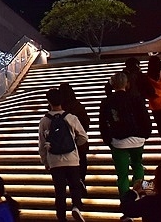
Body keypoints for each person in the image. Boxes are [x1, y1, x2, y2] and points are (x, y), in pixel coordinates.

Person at [39, 88, 88, 222]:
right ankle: (76, 207)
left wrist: (45, 162)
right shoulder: (71, 118)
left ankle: (61, 217)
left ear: (48, 101)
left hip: (55, 161)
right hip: (72, 159)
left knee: (59, 191)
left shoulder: (44, 121)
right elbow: (83, 137)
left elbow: (42, 144)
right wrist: (74, 144)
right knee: (74, 185)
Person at [99, 71, 152, 196]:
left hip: (118, 142)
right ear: (127, 83)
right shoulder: (135, 98)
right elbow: (144, 118)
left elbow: (103, 124)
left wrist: (108, 140)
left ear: (112, 85)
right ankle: (140, 194)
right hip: (137, 139)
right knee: (138, 166)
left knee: (122, 175)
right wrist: (145, 134)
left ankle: (126, 204)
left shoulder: (107, 102)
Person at [59, 82, 91, 194]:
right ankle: (80, 181)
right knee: (81, 163)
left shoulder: (58, 110)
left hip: (63, 146)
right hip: (79, 145)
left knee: (68, 170)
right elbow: (86, 123)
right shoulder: (78, 106)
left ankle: (74, 188)